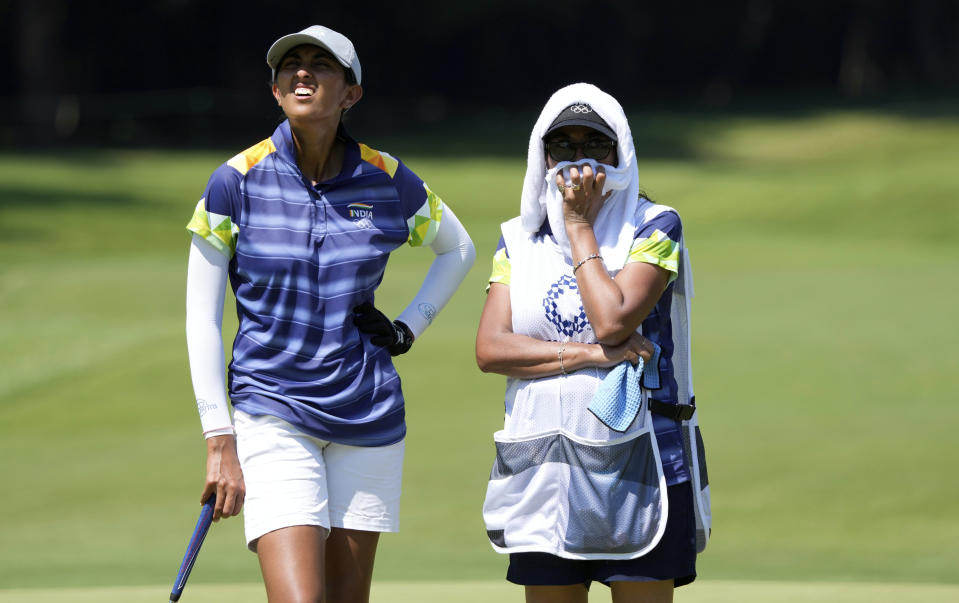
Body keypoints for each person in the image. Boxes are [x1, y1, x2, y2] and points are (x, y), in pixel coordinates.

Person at [184, 25, 475, 603]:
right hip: (272, 410)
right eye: (290, 65)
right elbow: (200, 318)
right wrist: (220, 438)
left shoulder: (386, 178)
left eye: (321, 64)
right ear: (274, 90)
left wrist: (408, 326)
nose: (303, 73)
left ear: (351, 93)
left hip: (368, 417)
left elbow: (459, 248)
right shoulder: (234, 181)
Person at [476, 83, 710, 603]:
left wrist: (579, 223)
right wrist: (584, 357)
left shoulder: (656, 226)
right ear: (543, 155)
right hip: (544, 462)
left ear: (619, 153)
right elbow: (491, 349)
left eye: (594, 147)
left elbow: (613, 322)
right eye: (563, 147)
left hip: (642, 461)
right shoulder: (519, 239)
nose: (577, 163)